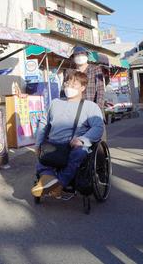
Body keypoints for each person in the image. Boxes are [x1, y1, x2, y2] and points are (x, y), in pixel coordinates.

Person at [31, 71, 105, 200]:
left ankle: (56, 183)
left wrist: (82, 140)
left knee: (80, 153)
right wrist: (38, 144)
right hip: (53, 144)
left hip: (74, 145)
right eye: (67, 82)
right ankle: (51, 182)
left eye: (74, 84)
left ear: (82, 88)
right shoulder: (55, 103)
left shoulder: (90, 106)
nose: (69, 86)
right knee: (42, 156)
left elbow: (98, 127)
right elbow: (43, 123)